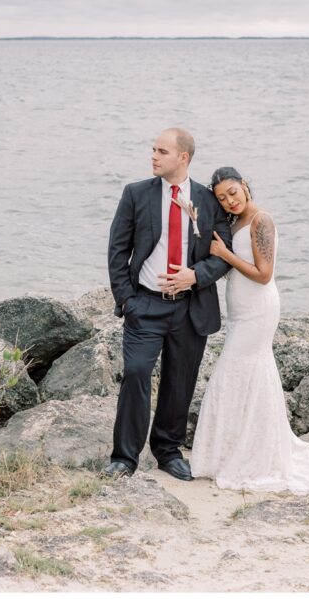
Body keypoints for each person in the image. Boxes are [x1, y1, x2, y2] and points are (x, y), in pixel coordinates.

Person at [190, 167, 309, 496]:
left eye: (233, 192)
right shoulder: (234, 223)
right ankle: (234, 452)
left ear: (245, 186)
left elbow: (263, 274)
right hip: (240, 311)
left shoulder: (260, 220)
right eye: (222, 197)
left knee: (233, 373)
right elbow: (232, 269)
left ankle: (251, 457)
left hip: (259, 310)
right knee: (246, 378)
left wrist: (225, 254)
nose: (229, 200)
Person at [104, 128, 233, 480]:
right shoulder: (135, 194)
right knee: (135, 372)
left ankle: (167, 450)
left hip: (191, 306)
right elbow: (117, 251)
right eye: (153, 150)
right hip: (145, 305)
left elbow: (225, 255)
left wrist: (195, 275)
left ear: (183, 158)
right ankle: (124, 457)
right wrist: (128, 301)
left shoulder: (207, 201)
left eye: (162, 151)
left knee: (181, 380)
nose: (154, 156)